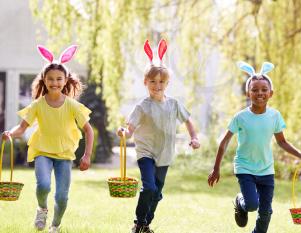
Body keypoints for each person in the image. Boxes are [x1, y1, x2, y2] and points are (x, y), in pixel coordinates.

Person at [207, 61, 301, 233]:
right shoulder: (240, 117)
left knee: (266, 212)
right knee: (251, 204)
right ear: (248, 92)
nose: (259, 93)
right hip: (245, 168)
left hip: (266, 170)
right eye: (255, 90)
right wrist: (216, 168)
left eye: (264, 90)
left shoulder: (275, 116)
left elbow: (282, 142)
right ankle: (240, 201)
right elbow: (224, 142)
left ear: (271, 93)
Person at [1, 45, 94, 233]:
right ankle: (42, 209)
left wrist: (87, 155)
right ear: (44, 80)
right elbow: (22, 128)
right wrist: (10, 133)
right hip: (42, 151)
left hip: (65, 155)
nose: (54, 82)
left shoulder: (72, 106)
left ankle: (55, 225)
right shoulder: (37, 105)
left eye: (59, 79)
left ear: (65, 80)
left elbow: (88, 130)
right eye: (50, 79)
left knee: (62, 197)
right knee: (43, 185)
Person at [117, 39, 200, 233]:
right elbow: (130, 128)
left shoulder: (174, 104)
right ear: (145, 82)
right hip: (146, 153)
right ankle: (138, 223)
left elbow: (188, 120)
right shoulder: (142, 106)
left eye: (161, 81)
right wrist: (124, 132)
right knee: (149, 188)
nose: (157, 85)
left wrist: (194, 137)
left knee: (157, 192)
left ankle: (146, 224)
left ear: (167, 83)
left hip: (165, 155)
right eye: (152, 81)